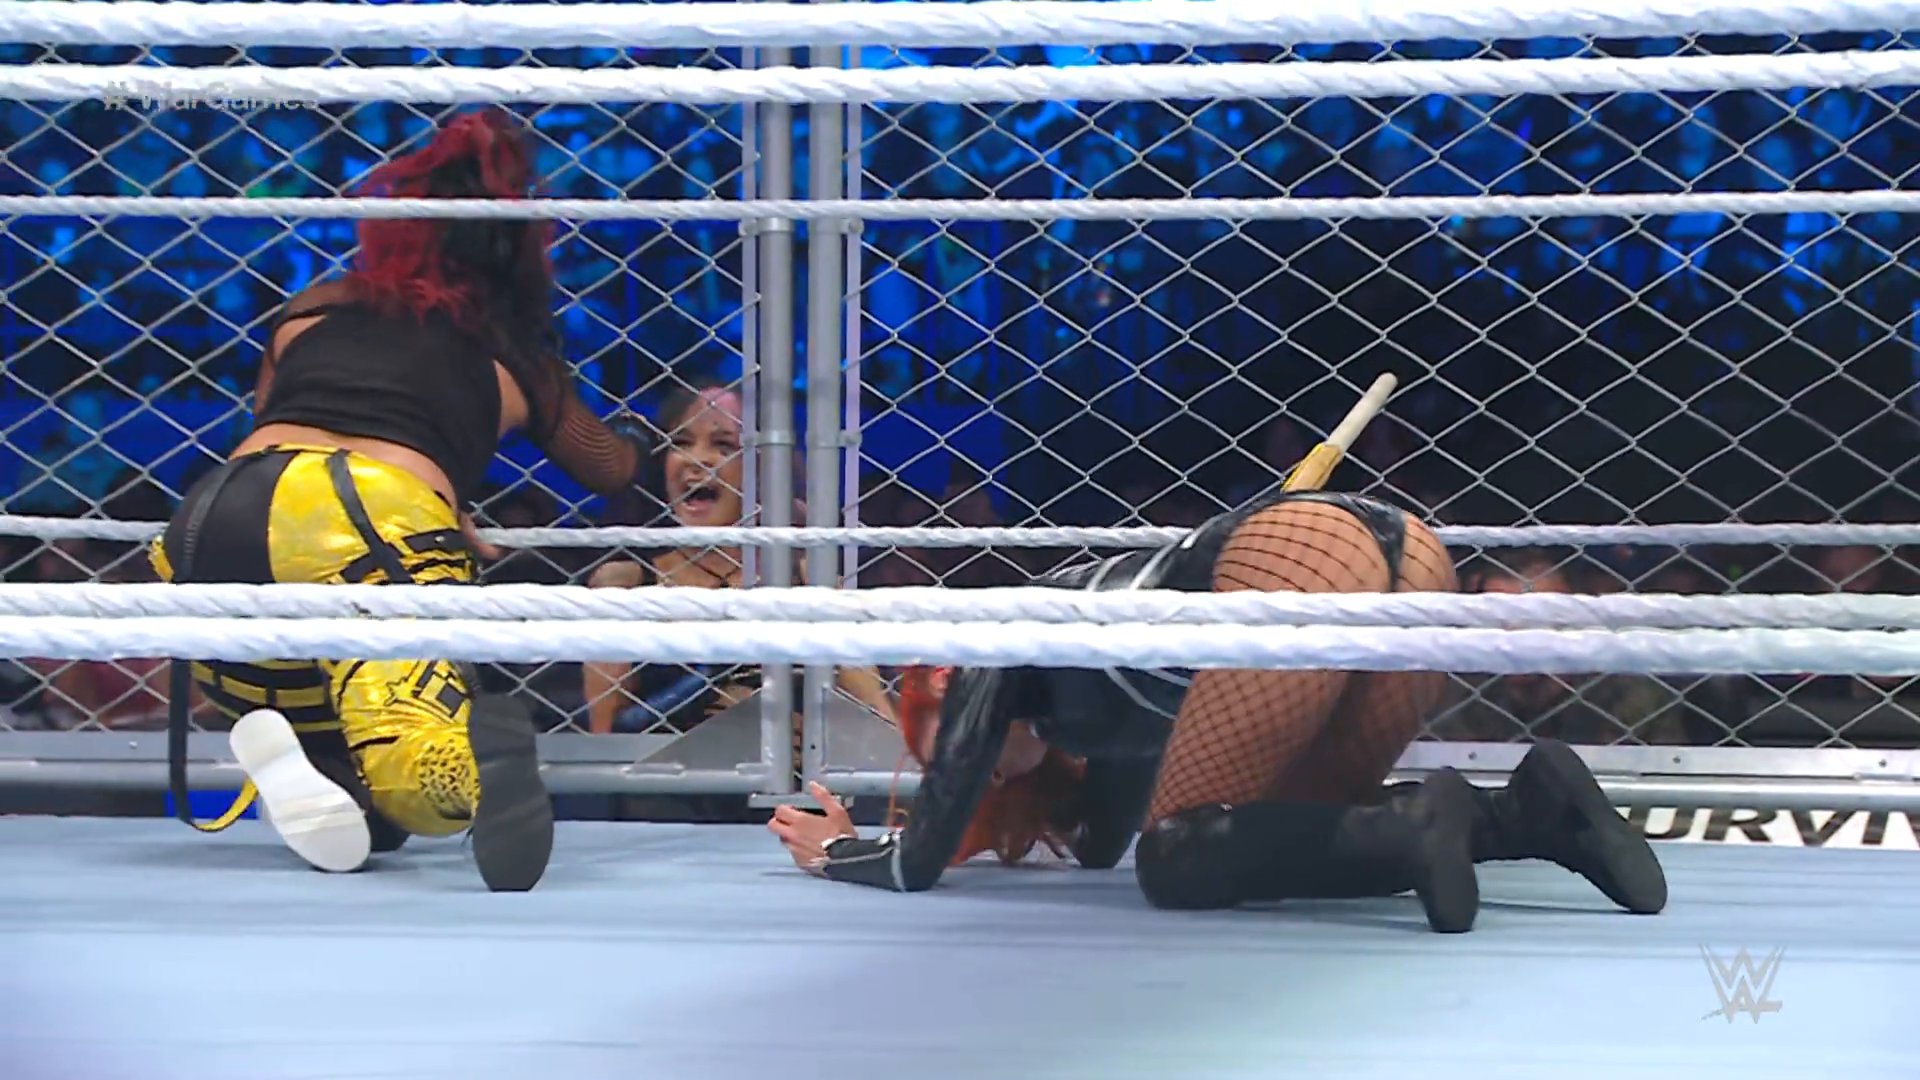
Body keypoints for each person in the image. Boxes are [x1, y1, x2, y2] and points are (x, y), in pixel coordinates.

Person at [768, 489, 1669, 932]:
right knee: (1295, 831)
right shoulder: (1095, 723)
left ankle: (1420, 823)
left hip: (1301, 551)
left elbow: (918, 862)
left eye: (942, 746)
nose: (961, 761)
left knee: (1177, 862)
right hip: (1407, 551)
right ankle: (1529, 812)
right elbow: (1102, 844)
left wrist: (839, 850)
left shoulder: (994, 642)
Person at [152, 108, 647, 892]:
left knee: (330, 737)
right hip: (369, 526)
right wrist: (644, 439)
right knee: (426, 781)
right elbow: (609, 468)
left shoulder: (311, 309)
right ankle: (465, 763)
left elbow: (284, 436)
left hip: (213, 518)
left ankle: (315, 767)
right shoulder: (512, 351)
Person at [583, 380, 896, 735]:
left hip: (794, 766)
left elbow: (879, 717)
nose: (697, 460)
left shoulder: (808, 580)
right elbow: (605, 738)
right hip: (666, 769)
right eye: (681, 443)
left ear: (762, 469)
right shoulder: (625, 584)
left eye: (723, 445)